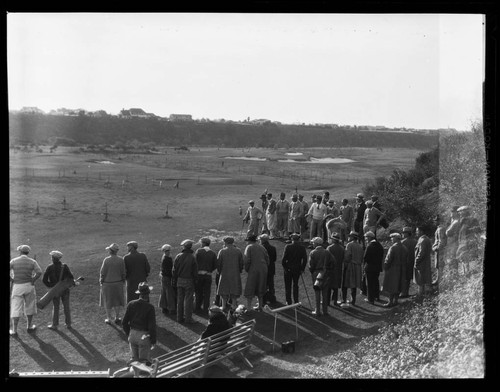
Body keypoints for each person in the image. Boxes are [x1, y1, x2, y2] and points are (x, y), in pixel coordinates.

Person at [10, 245, 42, 336]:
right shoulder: (32, 261)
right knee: (30, 306)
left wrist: (11, 279)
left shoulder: (14, 261)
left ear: (20, 252)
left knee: (16, 307)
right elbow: (39, 272)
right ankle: (29, 326)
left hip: (17, 286)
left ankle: (14, 330)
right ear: (27, 252)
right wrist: (33, 279)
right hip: (29, 286)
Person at [122, 282, 157, 366]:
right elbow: (152, 326)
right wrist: (153, 340)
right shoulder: (150, 308)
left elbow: (124, 322)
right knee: (143, 364)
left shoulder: (131, 304)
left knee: (135, 362)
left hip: (132, 335)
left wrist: (129, 333)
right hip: (143, 337)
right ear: (148, 294)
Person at [42, 250, 77, 330]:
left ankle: (55, 325)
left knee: (56, 307)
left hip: (55, 291)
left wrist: (51, 286)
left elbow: (44, 280)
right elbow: (71, 277)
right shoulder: (64, 266)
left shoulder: (50, 267)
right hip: (65, 289)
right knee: (66, 307)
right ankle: (68, 324)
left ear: (53, 258)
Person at [100, 243, 126, 325]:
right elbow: (123, 272)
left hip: (107, 284)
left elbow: (102, 273)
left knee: (108, 301)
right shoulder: (121, 259)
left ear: (111, 251)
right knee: (117, 301)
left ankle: (109, 318)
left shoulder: (106, 260)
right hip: (118, 283)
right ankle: (117, 317)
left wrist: (101, 281)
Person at [173, 239, 198, 324]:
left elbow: (174, 270)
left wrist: (175, 280)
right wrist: (195, 280)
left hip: (180, 280)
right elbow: (195, 271)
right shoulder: (192, 257)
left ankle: (179, 318)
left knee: (180, 299)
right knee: (188, 300)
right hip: (189, 280)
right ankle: (188, 319)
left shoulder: (178, 256)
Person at [216, 236, 244, 311]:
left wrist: (219, 271)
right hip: (235, 273)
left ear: (225, 242)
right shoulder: (238, 251)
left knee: (224, 289)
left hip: (224, 273)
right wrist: (240, 270)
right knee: (234, 289)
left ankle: (224, 306)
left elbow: (219, 263)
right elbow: (241, 263)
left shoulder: (222, 251)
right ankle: (234, 305)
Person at [243, 234, 269, 312]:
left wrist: (247, 269)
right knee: (261, 286)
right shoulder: (262, 247)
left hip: (254, 269)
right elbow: (267, 259)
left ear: (250, 241)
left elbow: (247, 260)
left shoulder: (249, 247)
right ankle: (260, 306)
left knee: (250, 287)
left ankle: (248, 308)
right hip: (263, 269)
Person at [308, 237, 333, 317]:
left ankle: (317, 311)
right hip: (325, 273)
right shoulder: (327, 252)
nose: (312, 244)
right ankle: (325, 311)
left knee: (317, 292)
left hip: (316, 273)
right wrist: (328, 270)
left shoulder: (313, 252)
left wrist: (313, 272)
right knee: (325, 293)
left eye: (313, 243)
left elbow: (311, 265)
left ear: (317, 243)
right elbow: (333, 262)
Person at [382, 233, 408, 307]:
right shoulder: (404, 248)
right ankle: (396, 300)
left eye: (392, 238)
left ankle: (390, 302)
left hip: (393, 269)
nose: (391, 239)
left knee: (391, 285)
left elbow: (388, 259)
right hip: (402, 269)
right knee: (398, 285)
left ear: (396, 238)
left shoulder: (393, 248)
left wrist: (386, 267)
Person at [281, 233, 308, 305]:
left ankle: (288, 301)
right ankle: (296, 301)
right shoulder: (302, 247)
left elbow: (283, 259)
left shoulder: (288, 247)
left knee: (288, 285)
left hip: (288, 269)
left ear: (292, 239)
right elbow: (305, 259)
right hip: (297, 269)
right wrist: (302, 269)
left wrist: (285, 268)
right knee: (295, 285)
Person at [456, 206, 482, 276]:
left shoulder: (473, 220)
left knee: (471, 258)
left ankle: (471, 275)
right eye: (459, 212)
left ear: (466, 211)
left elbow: (478, 229)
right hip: (462, 242)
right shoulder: (461, 221)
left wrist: (470, 230)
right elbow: (460, 233)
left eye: (461, 212)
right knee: (463, 258)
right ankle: (466, 274)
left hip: (470, 241)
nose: (460, 213)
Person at [194, 237, 217, 315]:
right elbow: (215, 265)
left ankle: (197, 307)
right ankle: (205, 308)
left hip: (199, 275)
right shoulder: (213, 253)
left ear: (203, 243)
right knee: (207, 293)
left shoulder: (198, 251)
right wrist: (209, 270)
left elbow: (195, 263)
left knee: (198, 292)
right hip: (208, 275)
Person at [340, 231, 363, 307]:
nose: (349, 237)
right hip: (358, 267)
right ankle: (353, 300)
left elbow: (347, 256)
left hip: (350, 266)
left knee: (345, 283)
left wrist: (345, 262)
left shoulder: (349, 245)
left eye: (350, 236)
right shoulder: (360, 246)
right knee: (354, 284)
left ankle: (343, 299)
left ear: (353, 237)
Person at [362, 232, 384, 304]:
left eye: (366, 237)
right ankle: (376, 296)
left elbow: (365, 257)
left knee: (370, 283)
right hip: (377, 267)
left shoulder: (370, 246)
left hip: (370, 267)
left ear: (369, 237)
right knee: (376, 282)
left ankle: (370, 299)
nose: (365, 239)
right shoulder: (379, 245)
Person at [326, 233, 344, 306]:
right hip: (339, 269)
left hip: (330, 269)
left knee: (329, 286)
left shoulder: (329, 248)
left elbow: (327, 259)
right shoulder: (342, 248)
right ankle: (335, 301)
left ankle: (327, 302)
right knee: (336, 286)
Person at [414, 227, 433, 297]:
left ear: (421, 231)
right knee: (425, 277)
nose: (416, 232)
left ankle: (421, 294)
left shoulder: (423, 240)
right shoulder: (426, 239)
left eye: (417, 231)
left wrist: (417, 260)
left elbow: (421, 252)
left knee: (421, 278)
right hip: (426, 261)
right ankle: (425, 293)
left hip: (422, 262)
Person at [158, 244, 176, 315]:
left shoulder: (164, 257)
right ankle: (171, 309)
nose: (168, 252)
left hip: (164, 277)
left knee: (164, 292)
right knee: (169, 293)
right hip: (167, 278)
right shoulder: (167, 259)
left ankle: (164, 307)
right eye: (167, 251)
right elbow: (169, 270)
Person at [259, 234, 277, 304]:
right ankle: (272, 298)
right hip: (271, 268)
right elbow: (274, 259)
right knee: (271, 284)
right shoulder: (273, 248)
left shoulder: (261, 248)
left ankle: (264, 299)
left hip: (263, 268)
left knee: (263, 284)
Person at [400, 227, 418, 298]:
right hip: (413, 261)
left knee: (404, 278)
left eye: (404, 233)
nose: (403, 234)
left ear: (407, 233)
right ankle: (406, 292)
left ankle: (404, 292)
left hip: (405, 262)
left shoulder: (403, 242)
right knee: (409, 278)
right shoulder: (415, 241)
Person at [431, 214, 447, 288]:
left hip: (440, 250)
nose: (435, 222)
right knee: (438, 265)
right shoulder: (439, 228)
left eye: (436, 221)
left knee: (440, 265)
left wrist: (437, 248)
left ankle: (440, 280)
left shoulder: (441, 229)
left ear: (439, 221)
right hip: (439, 250)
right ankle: (438, 279)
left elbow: (441, 241)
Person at [445, 206, 461, 277]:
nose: (451, 213)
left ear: (456, 212)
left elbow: (448, 232)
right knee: (451, 260)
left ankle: (454, 276)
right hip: (452, 243)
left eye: (452, 212)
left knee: (453, 259)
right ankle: (453, 275)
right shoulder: (454, 221)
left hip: (454, 243)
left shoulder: (456, 222)